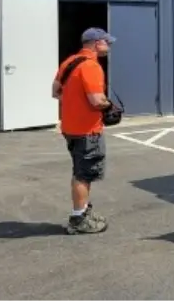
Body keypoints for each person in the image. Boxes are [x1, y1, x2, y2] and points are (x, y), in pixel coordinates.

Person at [52, 27, 117, 235]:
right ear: (97, 43)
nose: (109, 46)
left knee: (79, 170)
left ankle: (83, 211)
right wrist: (110, 107)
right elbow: (97, 100)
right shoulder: (91, 66)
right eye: (107, 42)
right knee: (84, 175)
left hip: (70, 127)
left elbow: (56, 92)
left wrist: (74, 105)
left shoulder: (69, 62)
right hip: (87, 130)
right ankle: (78, 218)